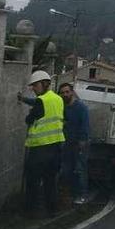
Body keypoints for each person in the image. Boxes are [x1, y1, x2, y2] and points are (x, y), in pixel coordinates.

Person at [18, 70, 65, 217]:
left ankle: (30, 211)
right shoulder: (58, 99)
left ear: (45, 84)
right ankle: (53, 210)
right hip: (56, 147)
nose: (33, 88)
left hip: (40, 148)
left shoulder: (41, 101)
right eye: (32, 86)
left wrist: (30, 113)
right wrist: (24, 99)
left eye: (35, 85)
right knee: (50, 181)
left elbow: (29, 119)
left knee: (32, 180)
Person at [58, 82, 90, 205]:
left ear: (72, 92)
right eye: (62, 92)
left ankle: (82, 196)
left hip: (79, 144)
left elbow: (85, 125)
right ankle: (68, 195)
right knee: (66, 169)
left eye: (67, 92)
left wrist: (82, 142)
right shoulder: (62, 107)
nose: (65, 94)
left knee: (80, 170)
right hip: (67, 143)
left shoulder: (81, 107)